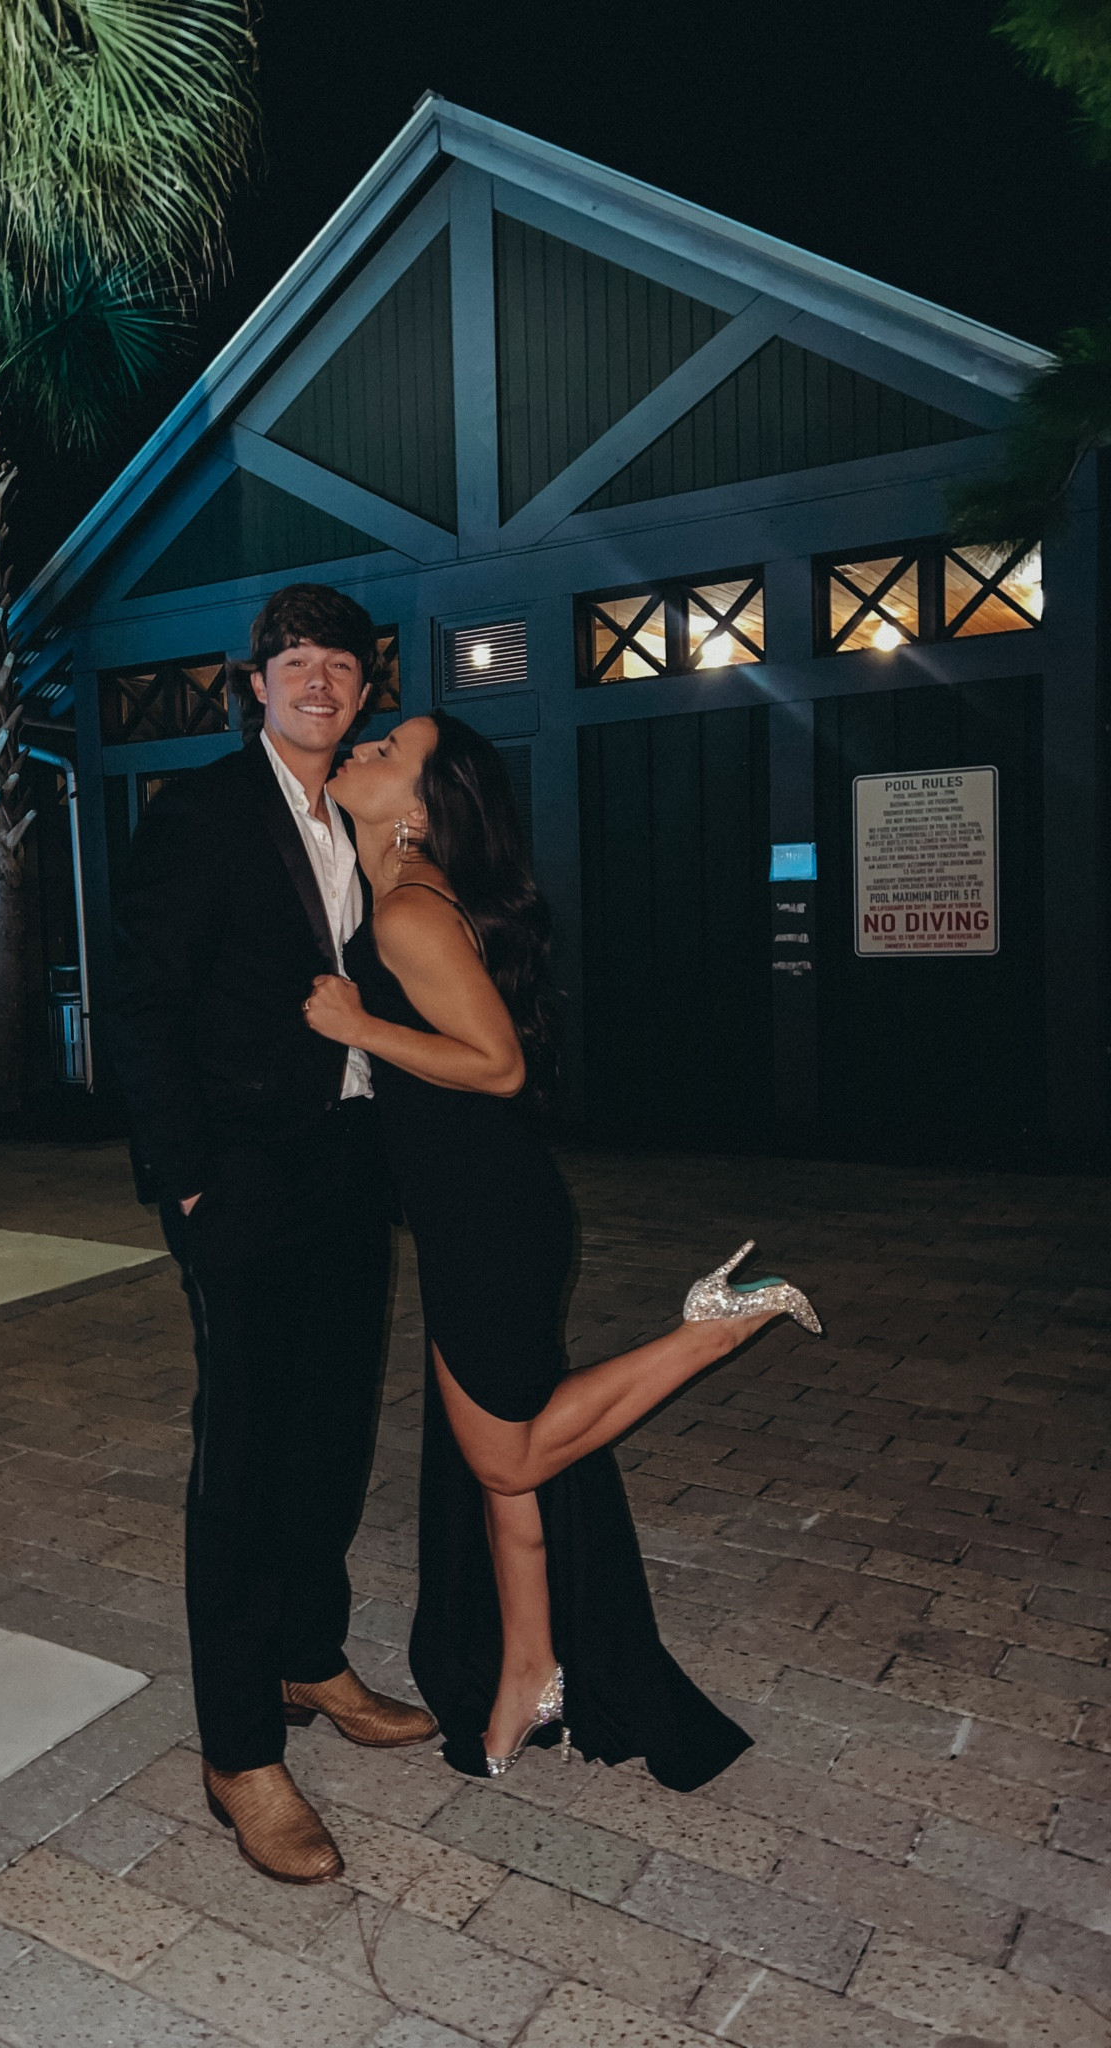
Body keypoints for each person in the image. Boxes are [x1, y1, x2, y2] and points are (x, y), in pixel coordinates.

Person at [305, 710, 820, 1782]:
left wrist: (359, 1028)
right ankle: (530, 1673)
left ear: (423, 805)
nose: (363, 746)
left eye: (390, 750)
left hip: (486, 1216)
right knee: (501, 1479)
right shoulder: (407, 892)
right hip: (475, 1209)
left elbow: (496, 1065)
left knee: (508, 1455)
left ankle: (720, 1321)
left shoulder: (410, 909)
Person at [108, 584, 437, 1889]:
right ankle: (240, 1749)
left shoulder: (369, 811)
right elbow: (144, 1004)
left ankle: (309, 1658)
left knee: (334, 1435)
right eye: (294, 662)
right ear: (256, 683)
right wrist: (189, 1183)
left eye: (339, 665)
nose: (317, 682)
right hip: (241, 1181)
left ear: (365, 686)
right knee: (243, 1463)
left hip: (353, 1167)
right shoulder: (200, 812)